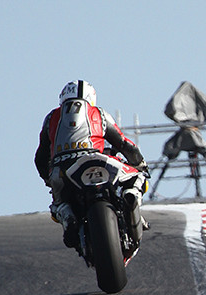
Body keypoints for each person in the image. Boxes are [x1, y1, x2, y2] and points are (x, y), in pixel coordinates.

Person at [35, 80, 148, 249]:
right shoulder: (99, 113)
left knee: (58, 204)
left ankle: (68, 216)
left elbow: (41, 156)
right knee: (136, 176)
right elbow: (123, 143)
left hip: (63, 170)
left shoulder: (51, 118)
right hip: (98, 160)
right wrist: (139, 163)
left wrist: (48, 179)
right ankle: (131, 194)